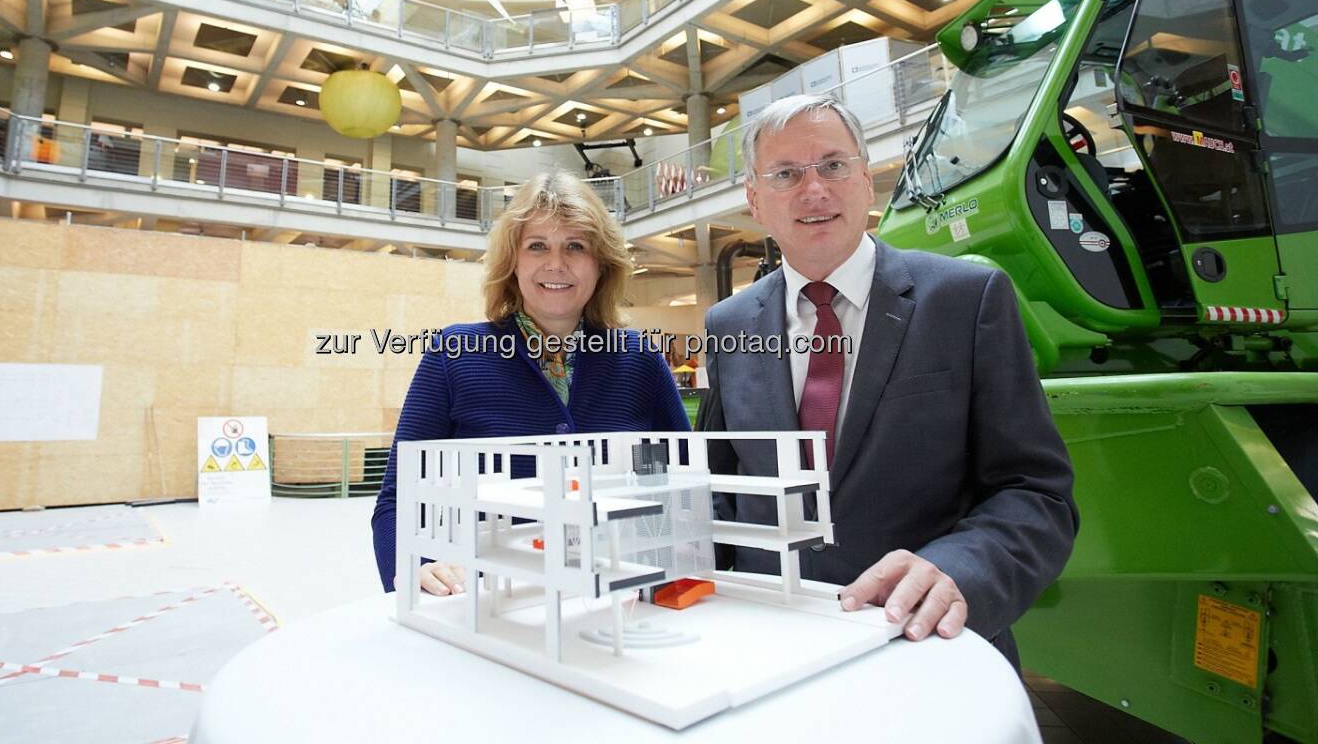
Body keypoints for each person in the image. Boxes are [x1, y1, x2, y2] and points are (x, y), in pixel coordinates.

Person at [700, 93, 1077, 670]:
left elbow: (1035, 490)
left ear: (866, 179)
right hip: (767, 648)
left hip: (917, 644)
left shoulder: (966, 300)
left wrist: (960, 570)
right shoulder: (728, 324)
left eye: (833, 164)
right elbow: (722, 487)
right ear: (755, 199)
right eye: (785, 174)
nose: (815, 189)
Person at [371, 171, 690, 594]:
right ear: (513, 262)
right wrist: (416, 567)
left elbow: (680, 484)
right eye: (537, 246)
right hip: (482, 604)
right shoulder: (455, 353)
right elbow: (397, 499)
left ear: (601, 264)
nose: (556, 264)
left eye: (575, 246)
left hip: (617, 598)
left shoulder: (640, 360)